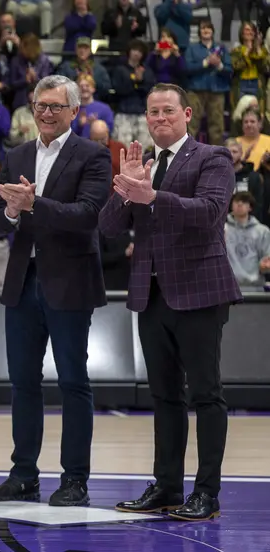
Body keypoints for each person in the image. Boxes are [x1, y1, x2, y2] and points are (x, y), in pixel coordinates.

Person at [100, 83, 242, 521]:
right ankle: (166, 486)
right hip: (152, 293)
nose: (159, 118)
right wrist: (125, 189)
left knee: (206, 394)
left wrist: (154, 196)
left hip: (199, 292)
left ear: (186, 114)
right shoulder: (142, 165)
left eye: (167, 111)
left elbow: (210, 211)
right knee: (164, 396)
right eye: (152, 112)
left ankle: (207, 493)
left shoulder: (212, 157)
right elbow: (107, 227)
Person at [0, 74, 111, 507]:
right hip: (23, 280)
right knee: (23, 383)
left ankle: (75, 479)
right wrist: (13, 212)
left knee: (74, 382)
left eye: (56, 106)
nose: (47, 113)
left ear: (75, 112)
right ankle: (24, 475)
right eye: (41, 105)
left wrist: (34, 204)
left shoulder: (92, 155)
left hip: (70, 281)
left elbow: (88, 215)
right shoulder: (17, 152)